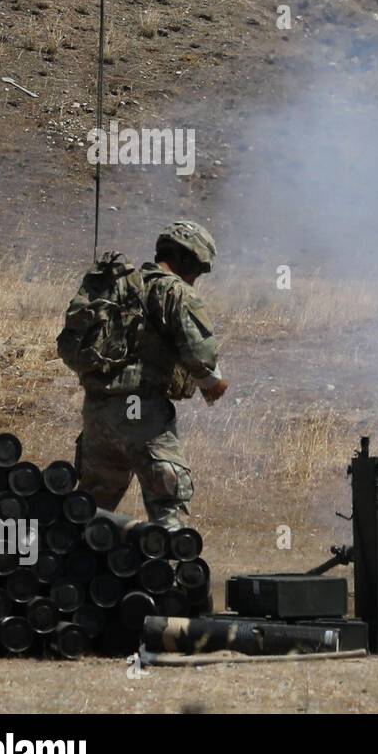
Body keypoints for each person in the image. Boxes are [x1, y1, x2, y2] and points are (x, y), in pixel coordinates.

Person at [57, 220, 227, 528]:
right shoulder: (174, 291)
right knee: (168, 508)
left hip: (97, 411)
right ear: (186, 258)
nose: (196, 278)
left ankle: (72, 569)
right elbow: (202, 355)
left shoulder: (120, 286)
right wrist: (213, 384)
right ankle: (170, 571)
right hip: (141, 414)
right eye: (198, 270)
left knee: (89, 510)